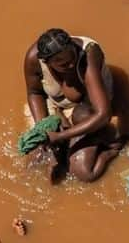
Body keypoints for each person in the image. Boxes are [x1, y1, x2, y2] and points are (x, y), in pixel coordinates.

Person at [24, 28, 121, 182]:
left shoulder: (88, 55)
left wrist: (60, 136)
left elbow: (103, 114)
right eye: (63, 64)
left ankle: (110, 148)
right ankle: (62, 128)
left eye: (72, 59)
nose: (70, 65)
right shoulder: (33, 59)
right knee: (38, 161)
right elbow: (35, 93)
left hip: (89, 107)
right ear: (46, 62)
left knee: (82, 172)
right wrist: (42, 128)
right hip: (55, 104)